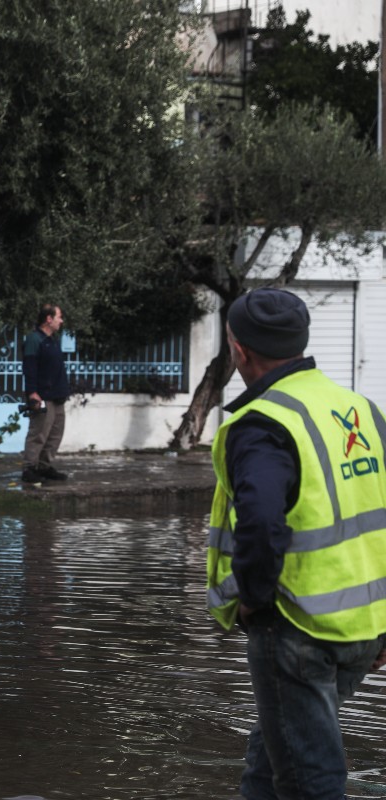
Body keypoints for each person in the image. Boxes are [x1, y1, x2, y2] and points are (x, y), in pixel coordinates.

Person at [207, 287, 386, 800]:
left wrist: (253, 599)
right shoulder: (360, 410)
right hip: (363, 630)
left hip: (297, 629)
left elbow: (261, 524)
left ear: (239, 350)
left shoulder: (263, 424)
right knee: (272, 760)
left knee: (311, 781)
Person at [21, 303, 71, 483]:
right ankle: (29, 468)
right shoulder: (34, 339)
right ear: (48, 319)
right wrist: (32, 392)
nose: (61, 321)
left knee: (55, 433)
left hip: (57, 396)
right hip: (43, 396)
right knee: (38, 434)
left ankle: (44, 466)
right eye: (59, 317)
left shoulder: (52, 340)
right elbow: (30, 367)